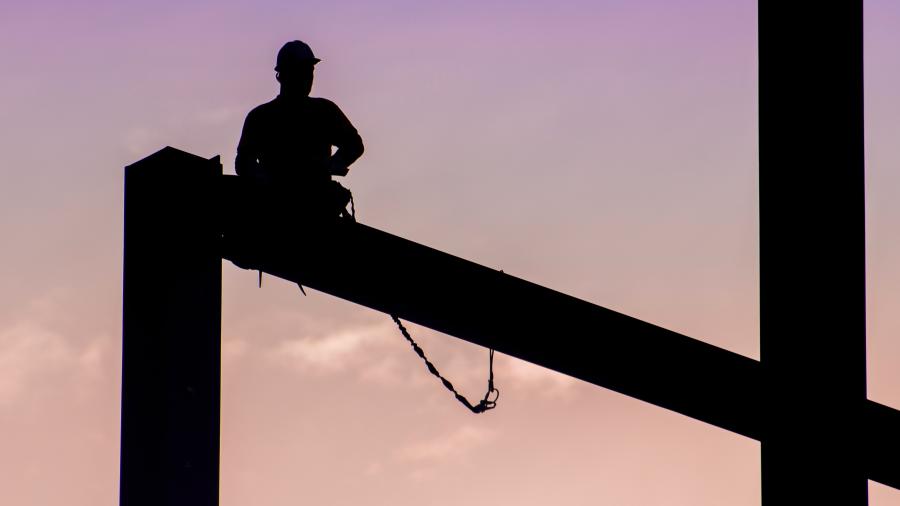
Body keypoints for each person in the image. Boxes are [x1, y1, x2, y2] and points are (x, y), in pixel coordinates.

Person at [236, 40, 364, 219]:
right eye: (301, 72)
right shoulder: (262, 117)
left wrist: (330, 165)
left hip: (318, 208)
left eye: (309, 72)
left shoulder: (324, 111)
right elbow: (244, 163)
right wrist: (270, 184)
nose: (307, 77)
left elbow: (354, 145)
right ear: (282, 76)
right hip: (276, 211)